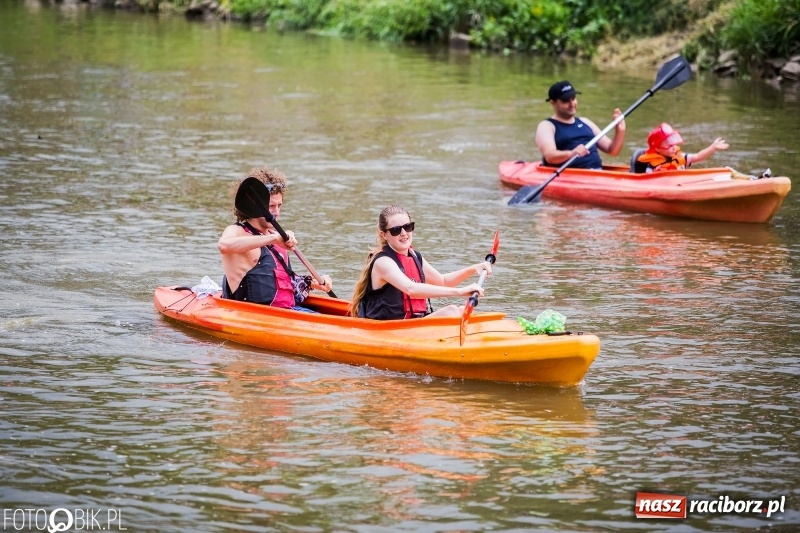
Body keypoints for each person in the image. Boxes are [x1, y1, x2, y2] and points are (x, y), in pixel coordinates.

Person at [348, 205, 492, 320]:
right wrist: (459, 292)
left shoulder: (414, 256)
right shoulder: (383, 262)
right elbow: (411, 289)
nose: (404, 233)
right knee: (452, 311)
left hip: (412, 324)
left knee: (460, 310)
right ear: (384, 234)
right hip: (387, 329)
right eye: (396, 230)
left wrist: (473, 269)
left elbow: (443, 281)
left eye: (408, 227)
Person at [218, 166, 333, 309]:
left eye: (279, 205)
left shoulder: (276, 238)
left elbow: (281, 283)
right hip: (256, 316)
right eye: (271, 206)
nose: (277, 212)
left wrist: (315, 283)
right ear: (254, 206)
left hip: (289, 312)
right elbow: (224, 246)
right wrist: (274, 239)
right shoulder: (236, 231)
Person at [536, 80, 626, 170]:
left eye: (573, 98)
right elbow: (550, 156)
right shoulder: (547, 126)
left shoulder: (585, 122)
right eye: (565, 101)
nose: (572, 104)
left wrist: (620, 131)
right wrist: (572, 153)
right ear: (553, 103)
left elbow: (612, 150)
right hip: (570, 177)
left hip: (597, 173)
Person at [634, 122, 729, 173]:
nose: (674, 147)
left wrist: (712, 147)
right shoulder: (652, 166)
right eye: (668, 144)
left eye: (674, 143)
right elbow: (647, 182)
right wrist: (656, 174)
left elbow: (698, 157)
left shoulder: (680, 157)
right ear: (657, 148)